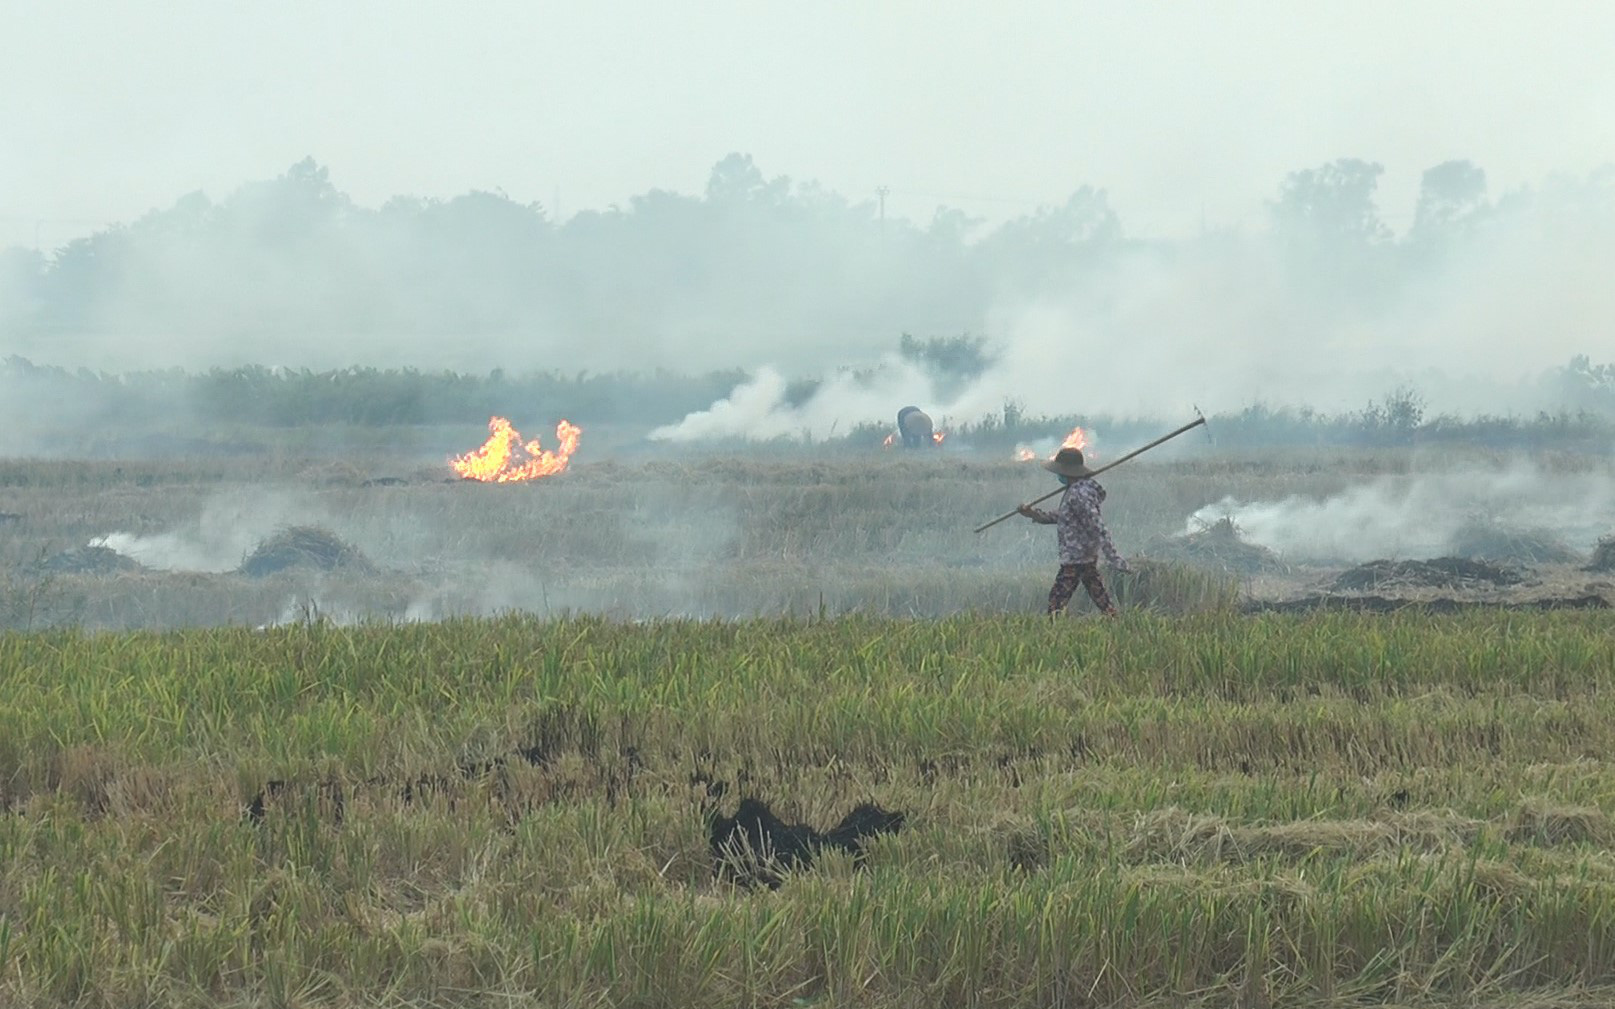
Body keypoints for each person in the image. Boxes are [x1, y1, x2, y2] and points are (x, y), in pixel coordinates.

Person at [1017, 447, 1130, 617]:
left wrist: (1114, 558)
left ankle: (1052, 631)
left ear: (1066, 472)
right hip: (1084, 557)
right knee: (1100, 597)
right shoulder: (1075, 490)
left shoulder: (1079, 495)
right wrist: (1032, 514)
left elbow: (1098, 526)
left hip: (1076, 558)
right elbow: (1062, 516)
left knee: (1056, 600)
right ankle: (1115, 620)